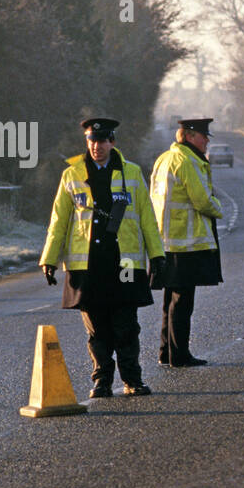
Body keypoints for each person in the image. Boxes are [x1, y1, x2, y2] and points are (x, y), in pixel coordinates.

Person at [40, 118, 165, 398]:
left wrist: (157, 254)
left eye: (102, 141)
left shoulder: (132, 173)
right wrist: (48, 259)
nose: (97, 146)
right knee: (97, 330)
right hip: (88, 265)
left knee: (126, 326)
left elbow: (147, 217)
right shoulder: (72, 175)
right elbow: (59, 220)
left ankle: (133, 380)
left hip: (125, 264)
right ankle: (102, 381)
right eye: (92, 141)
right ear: (87, 142)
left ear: (112, 142)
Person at [149, 117, 224, 367]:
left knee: (169, 300)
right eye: (204, 137)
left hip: (165, 242)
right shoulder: (187, 160)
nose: (206, 142)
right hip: (186, 243)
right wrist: (219, 209)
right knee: (182, 302)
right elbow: (202, 200)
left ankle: (166, 352)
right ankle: (179, 356)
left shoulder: (164, 159)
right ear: (190, 136)